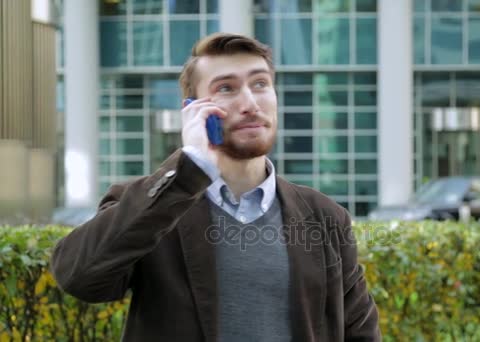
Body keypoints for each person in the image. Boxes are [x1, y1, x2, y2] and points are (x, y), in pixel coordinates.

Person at [50, 32, 381, 342]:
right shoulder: (149, 205)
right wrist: (188, 168)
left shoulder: (324, 216)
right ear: (193, 111)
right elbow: (80, 278)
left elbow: (360, 332)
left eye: (260, 84)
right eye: (226, 88)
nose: (250, 102)